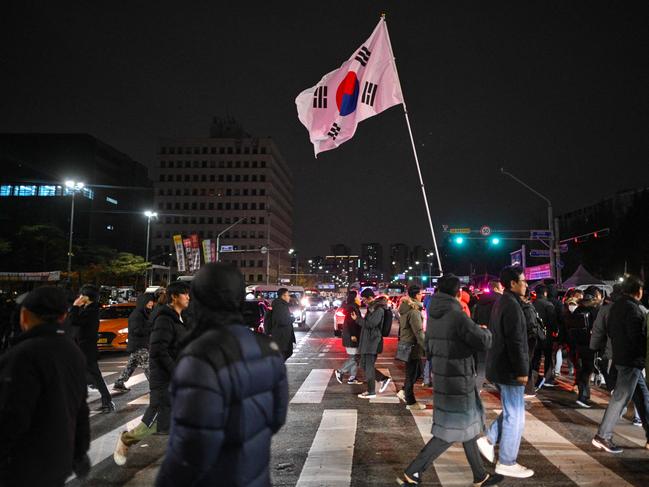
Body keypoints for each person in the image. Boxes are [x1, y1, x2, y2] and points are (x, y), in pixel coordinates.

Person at [155, 263, 288, 486]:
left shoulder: (200, 356)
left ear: (199, 298)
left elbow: (192, 449)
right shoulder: (267, 348)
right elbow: (276, 418)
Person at [397, 274, 501, 487]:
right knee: (452, 428)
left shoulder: (434, 313)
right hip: (458, 376)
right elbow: (482, 341)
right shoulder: (456, 314)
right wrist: (485, 331)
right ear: (457, 292)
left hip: (444, 374)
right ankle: (413, 471)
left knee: (467, 426)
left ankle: (480, 476)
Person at [0, 286, 90, 486]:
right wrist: (79, 453)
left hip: (21, 466)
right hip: (58, 461)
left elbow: (11, 415)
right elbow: (80, 408)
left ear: (25, 315)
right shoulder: (73, 351)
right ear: (63, 316)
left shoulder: (23, 355)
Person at [114, 281, 191, 465]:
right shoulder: (165, 318)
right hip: (164, 378)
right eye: (184, 294)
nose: (188, 297)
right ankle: (127, 440)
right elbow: (158, 350)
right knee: (156, 417)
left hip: (175, 375)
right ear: (174, 297)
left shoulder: (179, 318)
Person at [478, 265, 534, 479]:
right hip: (509, 369)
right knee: (516, 416)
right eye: (523, 280)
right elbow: (516, 341)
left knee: (514, 411)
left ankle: (489, 439)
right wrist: (522, 370)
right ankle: (506, 461)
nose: (526, 284)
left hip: (500, 366)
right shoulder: (511, 305)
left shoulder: (504, 302)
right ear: (512, 283)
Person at [592, 275, 649, 453]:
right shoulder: (633, 309)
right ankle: (603, 435)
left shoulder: (615, 306)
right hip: (631, 360)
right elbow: (636, 336)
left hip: (621, 357)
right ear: (638, 291)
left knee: (643, 397)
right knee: (621, 398)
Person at [69, 284, 114, 412]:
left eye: (82, 295)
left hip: (86, 349)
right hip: (83, 348)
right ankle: (104, 399)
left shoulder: (91, 311)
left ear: (87, 297)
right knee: (87, 376)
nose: (79, 297)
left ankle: (107, 401)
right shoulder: (88, 309)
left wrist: (75, 306)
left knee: (94, 376)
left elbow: (74, 320)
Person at [351, 288, 391, 399]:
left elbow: (371, 324)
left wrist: (357, 319)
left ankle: (371, 391)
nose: (364, 302)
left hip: (372, 342)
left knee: (368, 366)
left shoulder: (378, 309)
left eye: (364, 300)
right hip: (368, 341)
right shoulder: (373, 307)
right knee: (363, 364)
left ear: (370, 298)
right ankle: (383, 378)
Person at [566, 286, 602, 408]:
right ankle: (583, 397)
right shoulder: (595, 310)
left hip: (577, 345)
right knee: (587, 370)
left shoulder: (578, 309)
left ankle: (582, 395)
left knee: (582, 370)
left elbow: (570, 326)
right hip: (591, 345)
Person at [113, 293, 155, 391]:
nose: (151, 303)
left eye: (152, 301)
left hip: (139, 344)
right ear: (143, 302)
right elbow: (137, 330)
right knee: (148, 366)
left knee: (131, 365)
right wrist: (151, 328)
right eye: (149, 301)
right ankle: (155, 387)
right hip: (139, 345)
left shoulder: (144, 313)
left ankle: (119, 383)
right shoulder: (137, 315)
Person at [396, 285, 426, 410]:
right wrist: (426, 347)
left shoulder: (408, 308)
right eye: (420, 293)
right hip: (412, 345)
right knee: (412, 372)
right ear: (415, 295)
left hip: (408, 343)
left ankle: (404, 392)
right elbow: (418, 331)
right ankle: (410, 401)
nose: (422, 295)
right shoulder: (413, 311)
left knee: (416, 371)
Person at [472, 280, 503, 391]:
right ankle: (508, 401)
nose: (502, 290)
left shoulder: (479, 302)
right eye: (501, 288)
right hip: (496, 339)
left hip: (481, 337)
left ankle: (474, 395)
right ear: (495, 289)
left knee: (481, 368)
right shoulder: (501, 301)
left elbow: (474, 321)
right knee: (500, 369)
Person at [532, 285, 558, 388]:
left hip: (534, 335)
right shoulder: (548, 305)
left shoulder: (531, 304)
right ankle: (548, 379)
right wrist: (555, 330)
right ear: (545, 293)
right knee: (548, 357)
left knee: (536, 357)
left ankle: (534, 378)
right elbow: (552, 321)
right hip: (547, 335)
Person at [521, 288, 544, 398]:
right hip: (529, 339)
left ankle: (530, 389)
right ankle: (534, 383)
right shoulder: (526, 307)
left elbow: (531, 326)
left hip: (529, 339)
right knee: (527, 364)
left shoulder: (527, 307)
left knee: (527, 364)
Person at [335, 291, 363, 384]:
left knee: (355, 357)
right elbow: (351, 323)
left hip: (352, 335)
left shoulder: (352, 306)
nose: (360, 298)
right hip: (352, 336)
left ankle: (352, 377)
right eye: (358, 296)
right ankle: (340, 371)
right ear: (354, 298)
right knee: (355, 358)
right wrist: (353, 335)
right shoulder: (352, 307)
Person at [266, 287, 296, 361]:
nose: (289, 297)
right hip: (281, 336)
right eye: (288, 295)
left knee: (287, 352)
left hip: (284, 336)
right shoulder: (279, 305)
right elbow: (281, 320)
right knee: (283, 354)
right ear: (283, 296)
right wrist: (292, 318)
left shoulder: (281, 304)